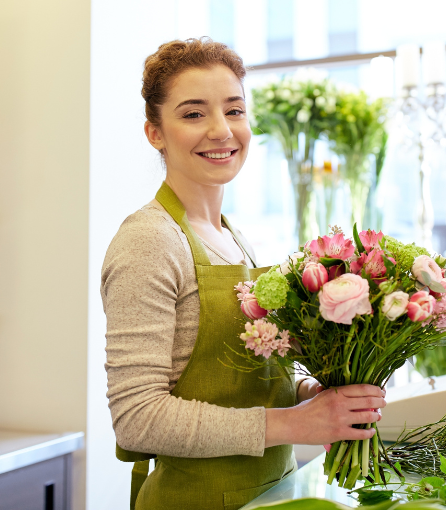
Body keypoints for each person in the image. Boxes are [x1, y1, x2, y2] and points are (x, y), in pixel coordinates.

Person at [101, 37, 386, 510]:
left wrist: (310, 393)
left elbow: (243, 381)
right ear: (155, 132)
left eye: (234, 111)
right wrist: (296, 423)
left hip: (272, 493)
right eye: (194, 114)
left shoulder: (232, 236)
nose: (221, 130)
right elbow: (137, 418)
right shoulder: (150, 240)